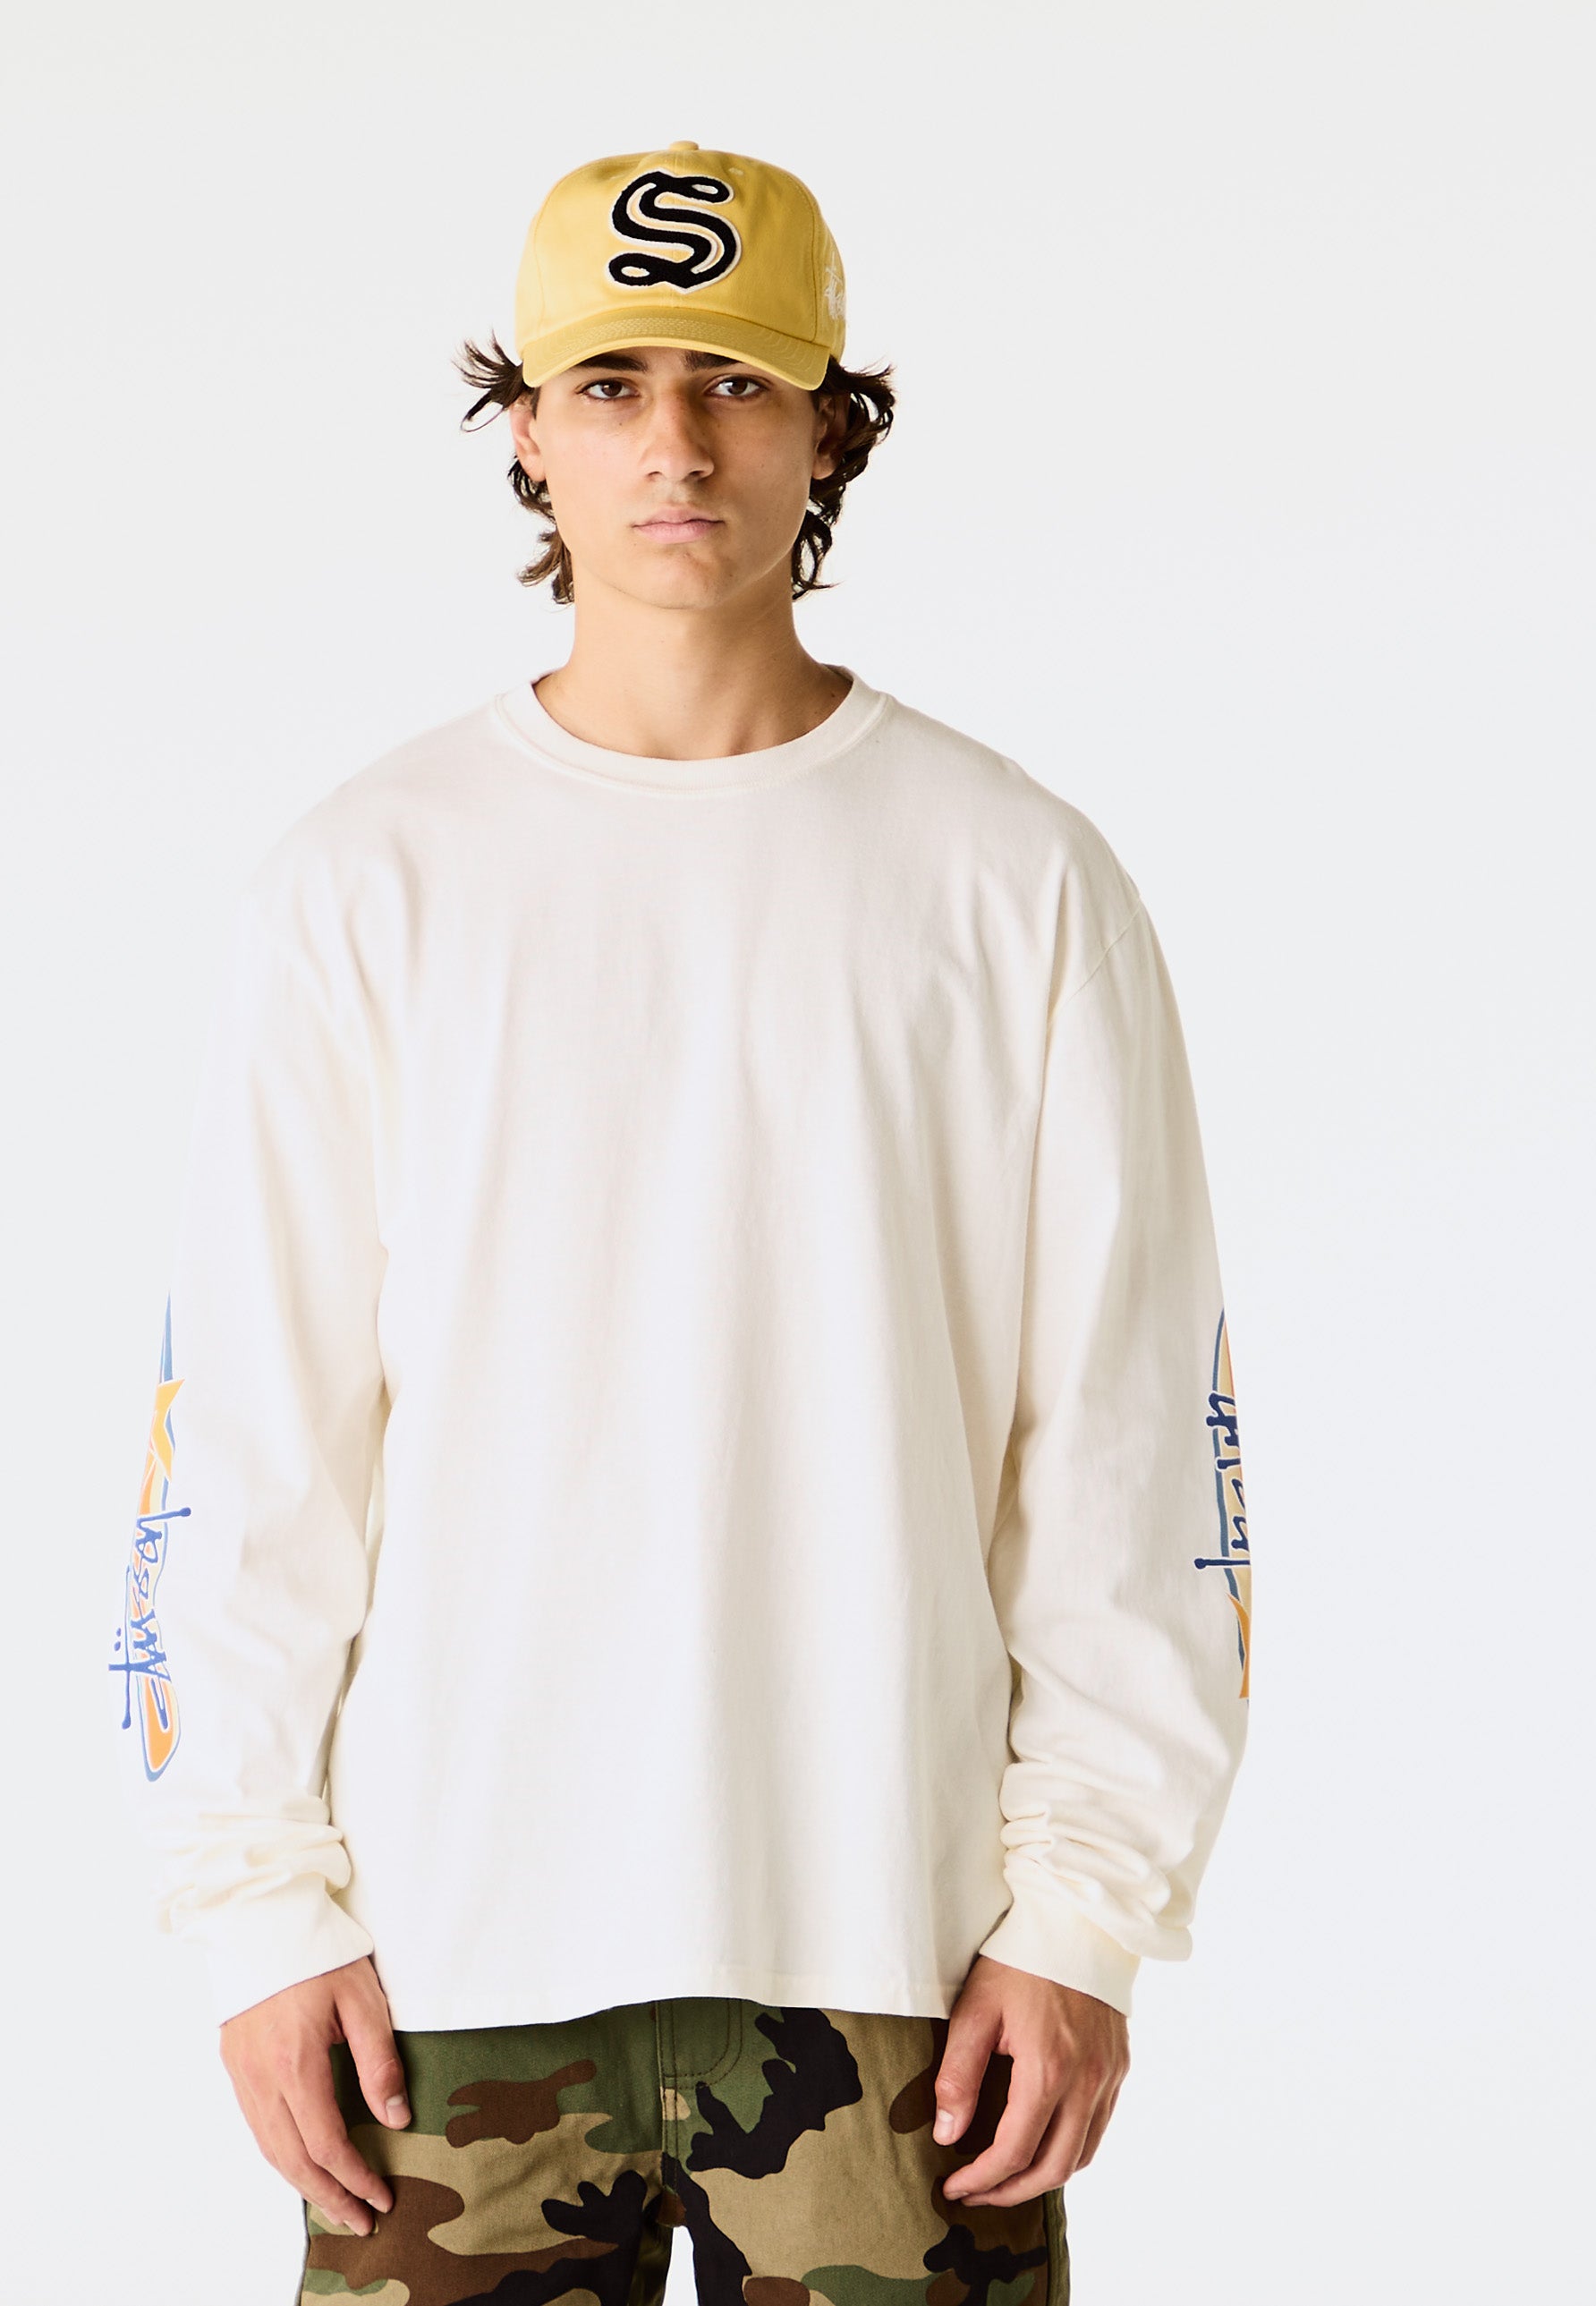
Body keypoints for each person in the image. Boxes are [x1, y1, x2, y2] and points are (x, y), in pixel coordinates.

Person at [113, 139, 1252, 2304]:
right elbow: (251, 1433)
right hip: (442, 1969)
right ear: (524, 429)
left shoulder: (1012, 878)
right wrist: (256, 1903)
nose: (675, 443)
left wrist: (1082, 1910)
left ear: (829, 426)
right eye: (613, 382)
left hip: (901, 1961)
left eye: (735, 381)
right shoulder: (364, 883)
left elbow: (1124, 1435)